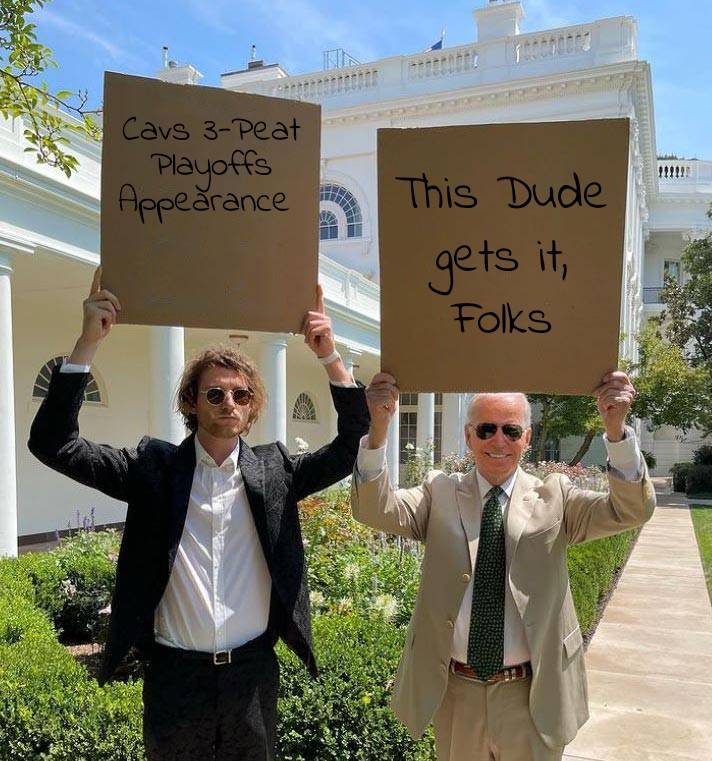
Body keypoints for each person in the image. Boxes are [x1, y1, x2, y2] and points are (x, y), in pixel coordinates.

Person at [28, 268, 370, 761]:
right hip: (175, 678)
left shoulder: (275, 472)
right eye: (215, 393)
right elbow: (52, 443)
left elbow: (349, 448)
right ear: (192, 400)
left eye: (241, 395)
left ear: (252, 408)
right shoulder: (152, 469)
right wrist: (87, 345)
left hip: (251, 676)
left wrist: (330, 358)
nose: (229, 402)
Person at [351, 372, 656, 761]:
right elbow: (372, 509)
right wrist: (378, 431)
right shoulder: (438, 491)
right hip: (457, 692)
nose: (499, 440)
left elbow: (630, 510)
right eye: (487, 429)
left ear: (527, 439)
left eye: (512, 430)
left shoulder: (555, 496)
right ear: (468, 436)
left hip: (533, 695)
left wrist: (615, 431)